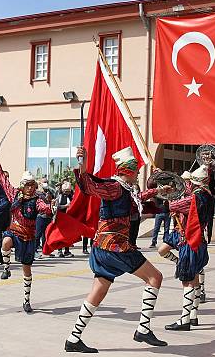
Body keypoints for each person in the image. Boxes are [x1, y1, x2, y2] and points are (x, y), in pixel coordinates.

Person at [64, 147, 169, 353]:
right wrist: (82, 163)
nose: (139, 173)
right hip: (116, 247)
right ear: (128, 170)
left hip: (102, 248)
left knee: (98, 291)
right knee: (155, 278)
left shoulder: (125, 189)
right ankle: (143, 328)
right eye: (136, 170)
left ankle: (73, 338)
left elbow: (137, 198)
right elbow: (91, 186)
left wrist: (157, 191)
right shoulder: (114, 188)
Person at [0, 154, 52, 313]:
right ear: (22, 185)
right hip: (14, 231)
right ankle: (6, 267)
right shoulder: (15, 195)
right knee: (5, 242)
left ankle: (26, 300)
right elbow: (4, 182)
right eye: (27, 185)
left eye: (33, 185)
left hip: (28, 237)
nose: (30, 188)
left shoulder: (38, 199)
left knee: (27, 270)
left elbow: (44, 209)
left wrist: (51, 206)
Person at [165, 164, 213, 331]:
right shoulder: (208, 196)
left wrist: (167, 195)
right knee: (193, 279)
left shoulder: (195, 198)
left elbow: (172, 206)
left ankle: (185, 320)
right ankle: (191, 317)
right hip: (200, 242)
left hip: (190, 242)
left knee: (188, 282)